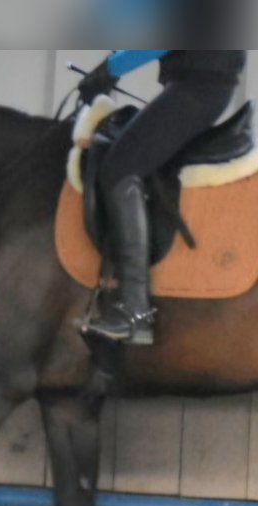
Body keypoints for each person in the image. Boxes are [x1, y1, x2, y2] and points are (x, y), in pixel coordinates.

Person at [78, 50, 248, 346]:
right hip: (200, 84)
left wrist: (109, 68)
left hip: (196, 88)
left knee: (120, 170)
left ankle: (135, 311)